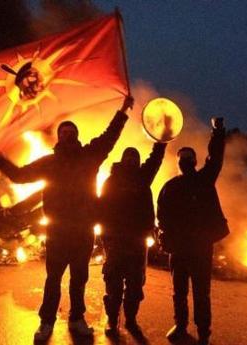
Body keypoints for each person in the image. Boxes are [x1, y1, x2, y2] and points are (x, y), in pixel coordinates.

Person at [0, 96, 133, 342]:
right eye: (63, 132)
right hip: (57, 231)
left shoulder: (89, 157)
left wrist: (123, 110)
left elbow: (110, 136)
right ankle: (46, 321)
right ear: (58, 138)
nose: (67, 135)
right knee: (53, 279)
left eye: (71, 131)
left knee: (79, 278)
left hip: (83, 230)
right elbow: (19, 175)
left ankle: (77, 318)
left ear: (76, 136)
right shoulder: (49, 163)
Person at [157, 117, 229, 345]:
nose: (186, 161)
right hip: (179, 248)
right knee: (179, 291)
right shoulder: (170, 187)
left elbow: (216, 158)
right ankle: (180, 325)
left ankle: (204, 332)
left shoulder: (204, 180)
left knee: (201, 293)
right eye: (183, 159)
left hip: (200, 247)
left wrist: (217, 132)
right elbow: (162, 216)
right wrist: (164, 239)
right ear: (178, 162)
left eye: (189, 158)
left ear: (195, 161)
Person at [99, 141, 167, 340]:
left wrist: (161, 141)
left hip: (137, 242)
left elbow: (155, 160)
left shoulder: (143, 179)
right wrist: (107, 238)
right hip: (116, 241)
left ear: (138, 162)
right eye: (128, 156)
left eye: (134, 157)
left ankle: (130, 319)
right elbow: (102, 210)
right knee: (113, 283)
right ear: (122, 159)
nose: (131, 160)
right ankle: (112, 319)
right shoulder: (111, 181)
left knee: (136, 285)